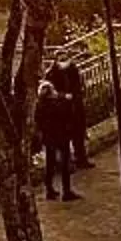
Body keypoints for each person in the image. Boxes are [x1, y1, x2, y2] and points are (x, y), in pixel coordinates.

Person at [34, 72, 78, 203]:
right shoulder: (58, 103)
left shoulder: (39, 106)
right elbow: (67, 114)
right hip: (61, 135)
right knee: (65, 163)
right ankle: (66, 191)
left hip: (48, 137)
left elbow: (38, 122)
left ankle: (49, 190)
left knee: (50, 163)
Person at [55, 54, 91, 172]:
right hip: (63, 110)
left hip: (76, 107)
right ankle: (67, 164)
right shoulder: (52, 73)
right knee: (64, 138)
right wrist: (63, 96)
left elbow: (80, 86)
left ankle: (81, 159)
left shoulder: (73, 70)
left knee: (79, 135)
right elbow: (50, 91)